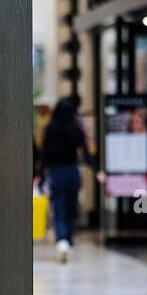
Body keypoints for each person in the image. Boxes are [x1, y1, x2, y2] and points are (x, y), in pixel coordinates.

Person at [40, 96, 93, 264]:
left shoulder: (50, 129)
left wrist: (41, 174)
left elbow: (45, 154)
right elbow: (85, 153)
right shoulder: (75, 129)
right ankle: (68, 239)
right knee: (71, 206)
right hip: (72, 171)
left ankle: (62, 240)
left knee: (58, 207)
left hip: (56, 172)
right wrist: (97, 169)